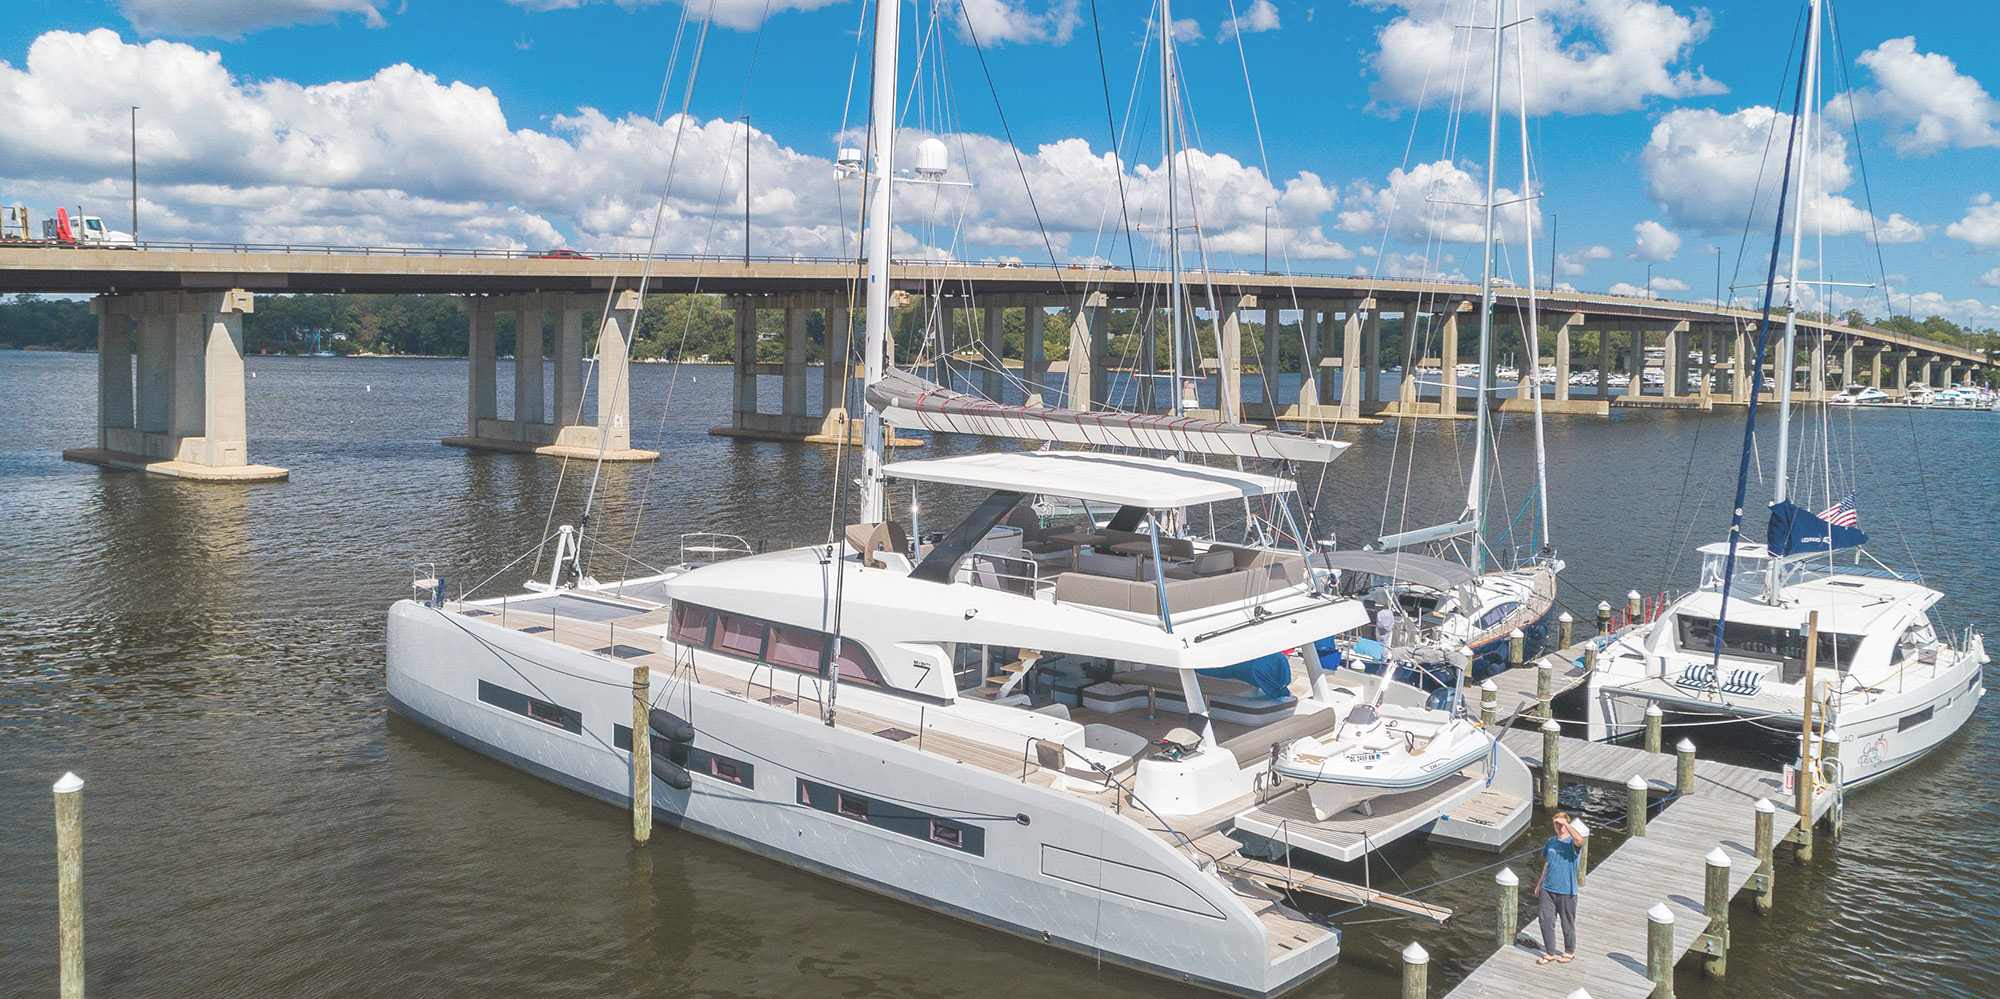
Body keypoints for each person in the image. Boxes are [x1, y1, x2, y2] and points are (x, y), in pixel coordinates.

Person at [1534, 811, 1586, 965]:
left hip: (1566, 890)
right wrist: (1539, 884)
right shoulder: (1551, 841)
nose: (1559, 827)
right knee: (1545, 920)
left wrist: (1566, 824)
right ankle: (1550, 952)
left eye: (1561, 824)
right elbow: (1548, 862)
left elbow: (1579, 840)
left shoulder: (1572, 843)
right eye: (1556, 824)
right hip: (1548, 888)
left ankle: (1569, 951)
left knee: (1567, 922)